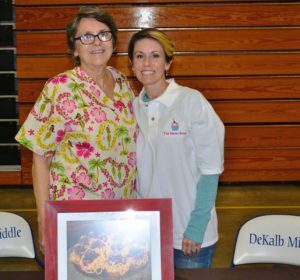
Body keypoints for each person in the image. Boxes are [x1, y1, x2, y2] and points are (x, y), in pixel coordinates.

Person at [15, 6, 137, 252]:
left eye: (104, 34)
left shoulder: (123, 83)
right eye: (86, 37)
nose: (96, 42)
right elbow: (40, 158)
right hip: (76, 215)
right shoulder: (60, 89)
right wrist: (44, 221)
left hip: (123, 213)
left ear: (113, 41)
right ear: (74, 47)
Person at [128, 28, 225, 268]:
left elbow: (211, 170)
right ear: (131, 65)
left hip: (188, 236)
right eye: (140, 56)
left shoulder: (192, 102)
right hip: (148, 232)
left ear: (168, 63)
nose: (147, 63)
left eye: (155, 55)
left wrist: (196, 227)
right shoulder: (132, 108)